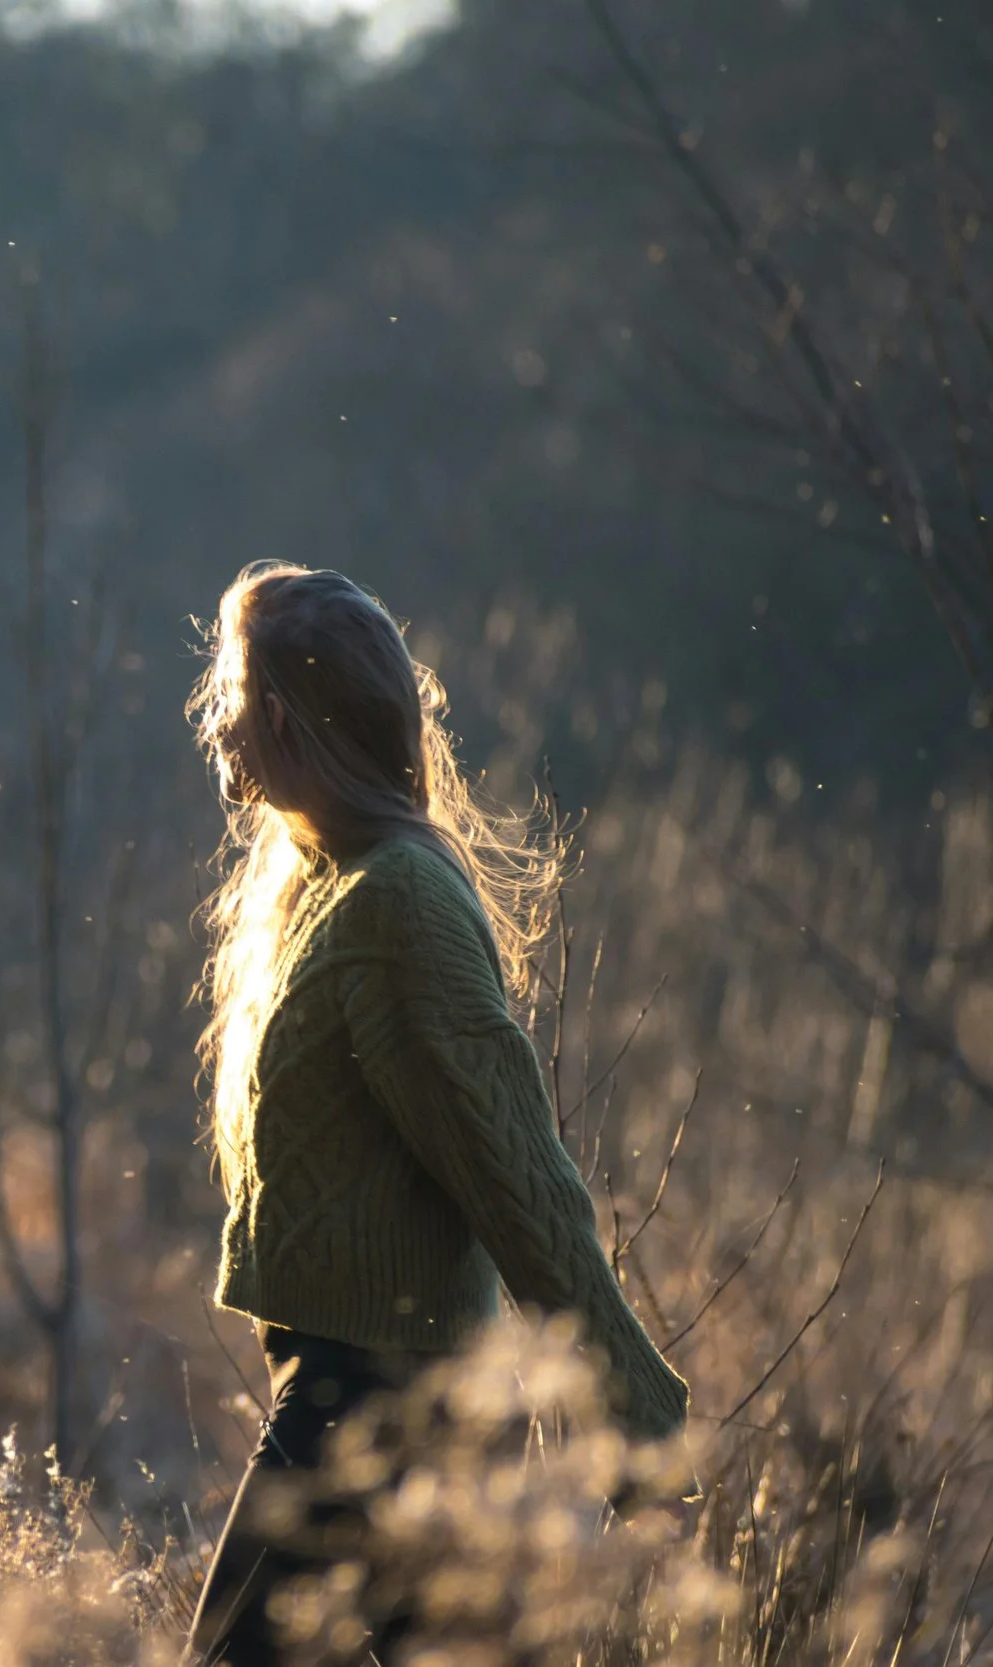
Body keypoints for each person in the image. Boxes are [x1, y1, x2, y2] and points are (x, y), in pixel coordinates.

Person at [182, 564, 688, 1667]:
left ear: (275, 714)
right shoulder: (325, 883)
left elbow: (517, 1174)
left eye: (225, 693)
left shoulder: (396, 902)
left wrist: (634, 1412)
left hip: (374, 1404)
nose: (213, 724)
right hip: (374, 1394)